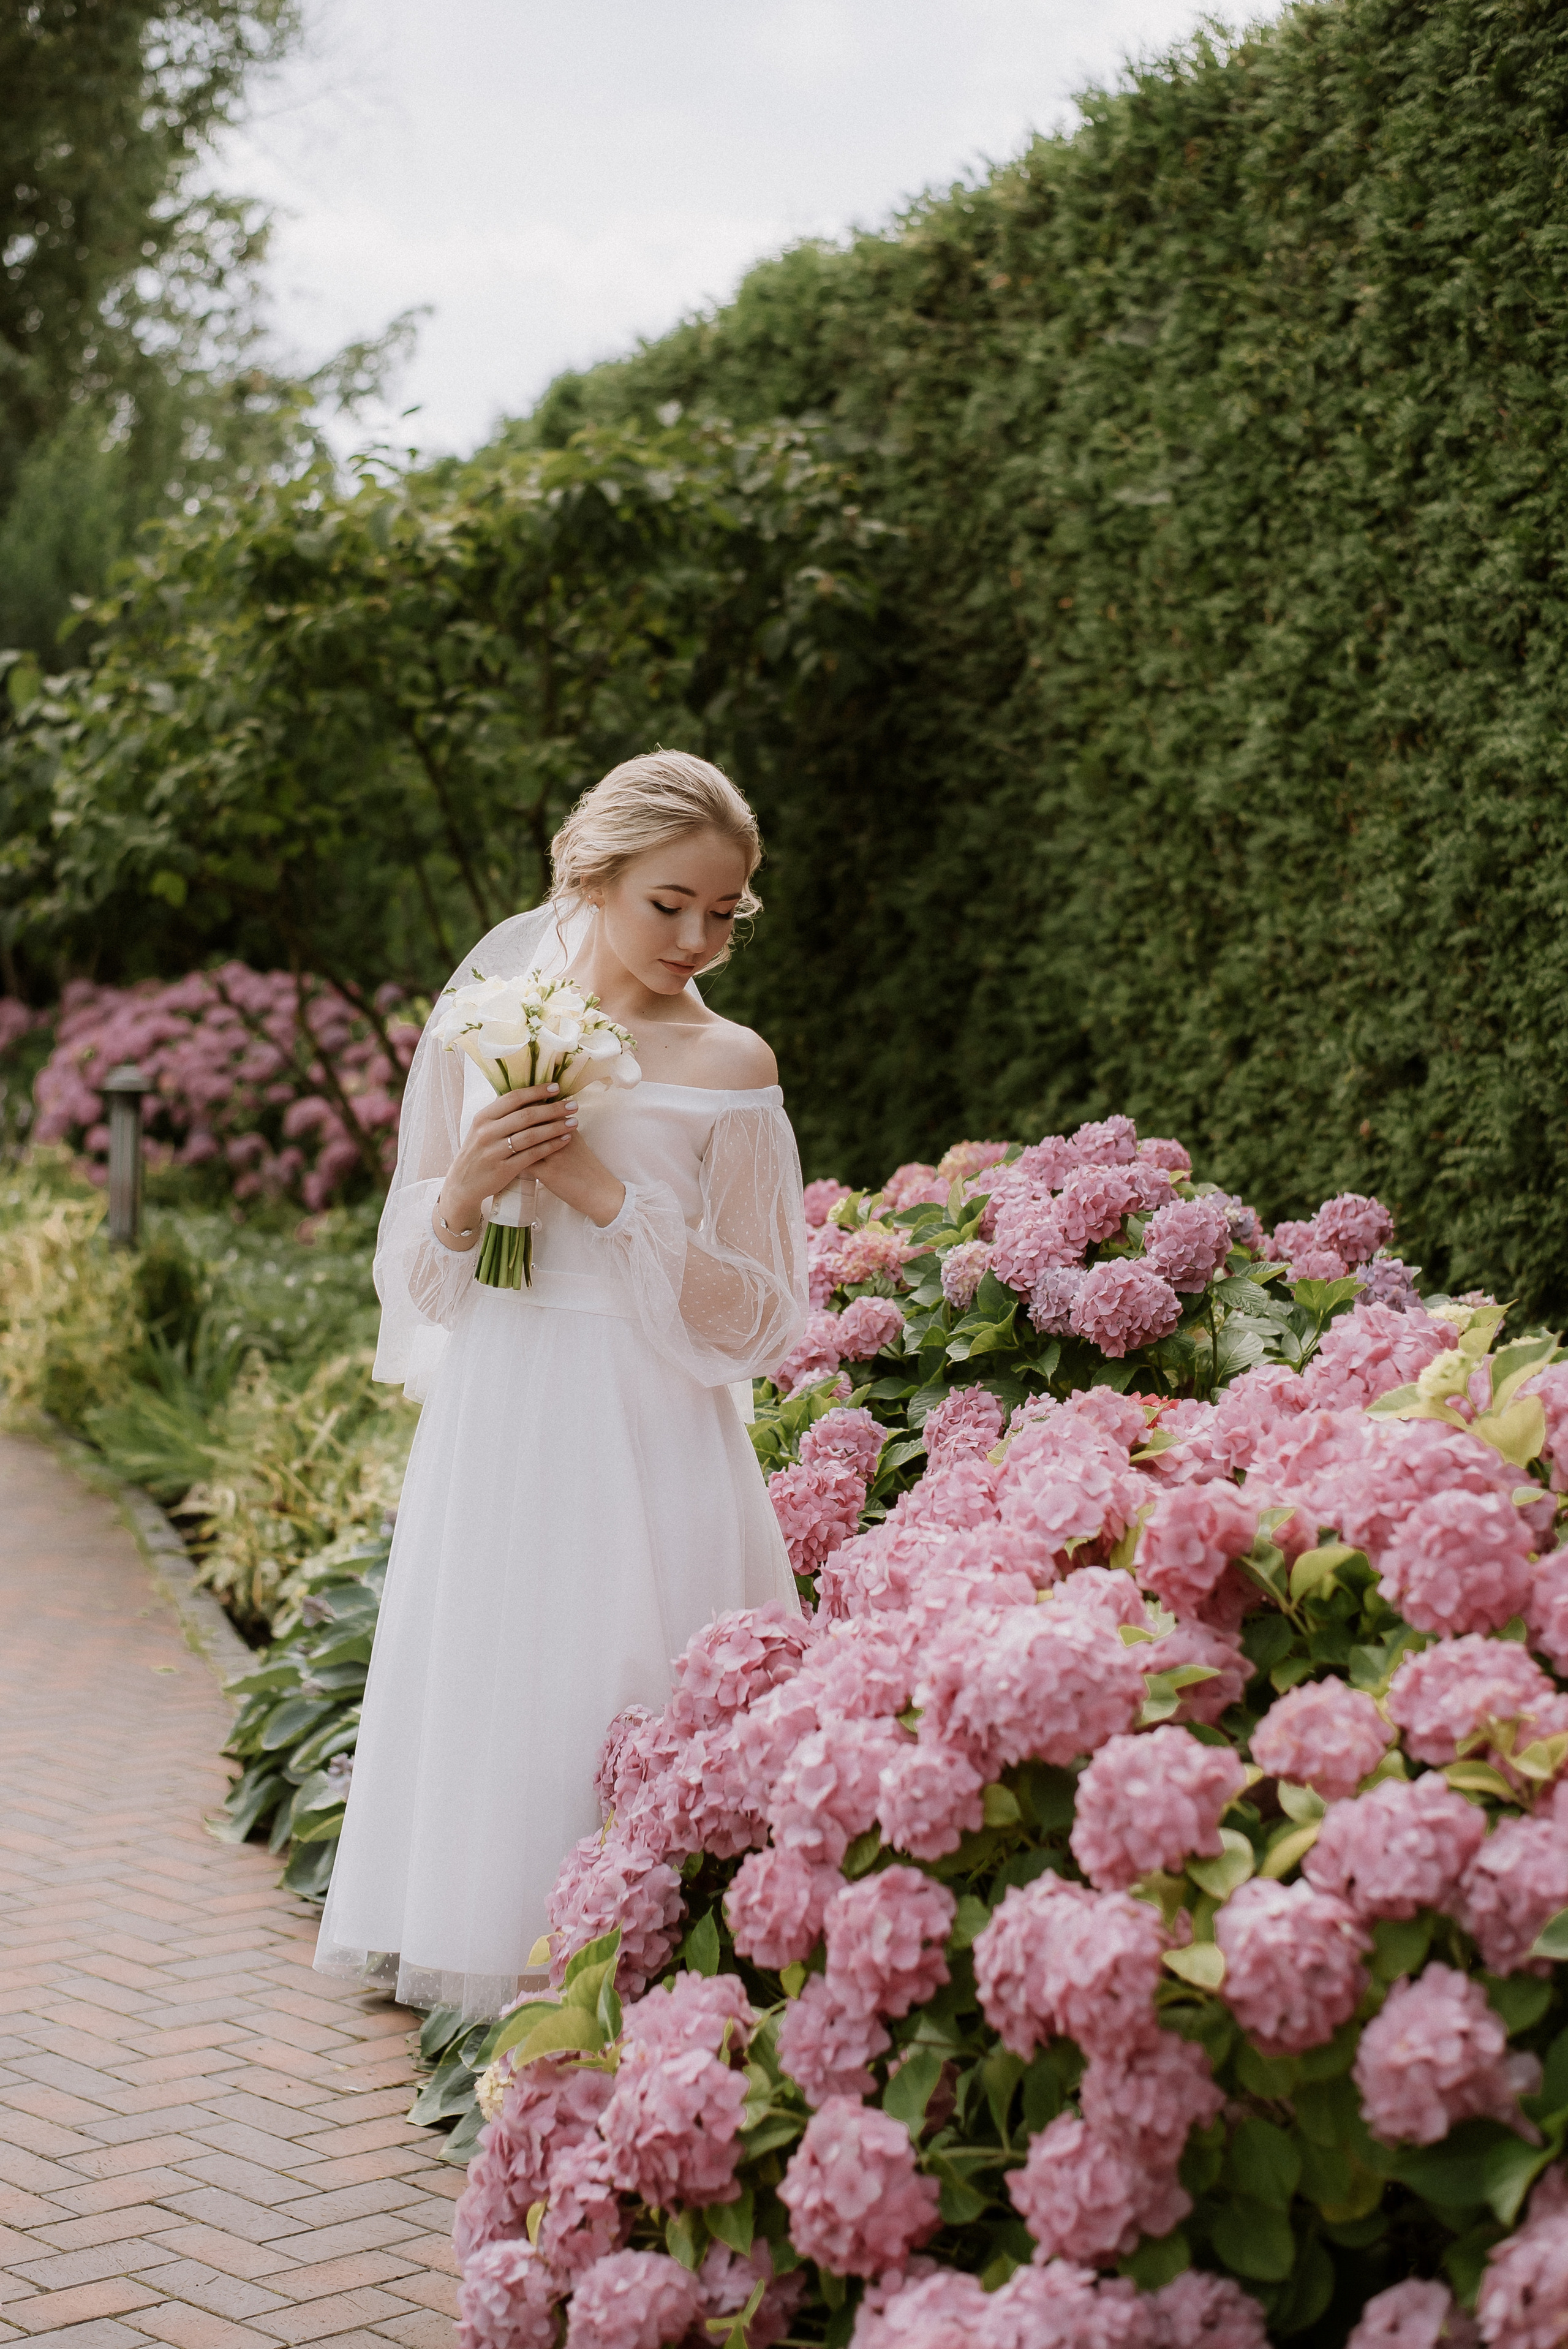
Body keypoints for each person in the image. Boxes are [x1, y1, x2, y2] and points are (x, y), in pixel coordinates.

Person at [315, 752, 807, 2019]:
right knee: (506, 1666)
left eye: (722, 911)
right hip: (503, 1410)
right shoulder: (482, 1024)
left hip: (651, 1425)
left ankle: (651, 1954)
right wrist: (474, 1189)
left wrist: (600, 1191)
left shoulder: (730, 1063)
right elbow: (416, 1279)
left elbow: (760, 1316)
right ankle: (499, 1942)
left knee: (629, 1671)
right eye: (669, 904)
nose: (697, 938)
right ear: (588, 876)